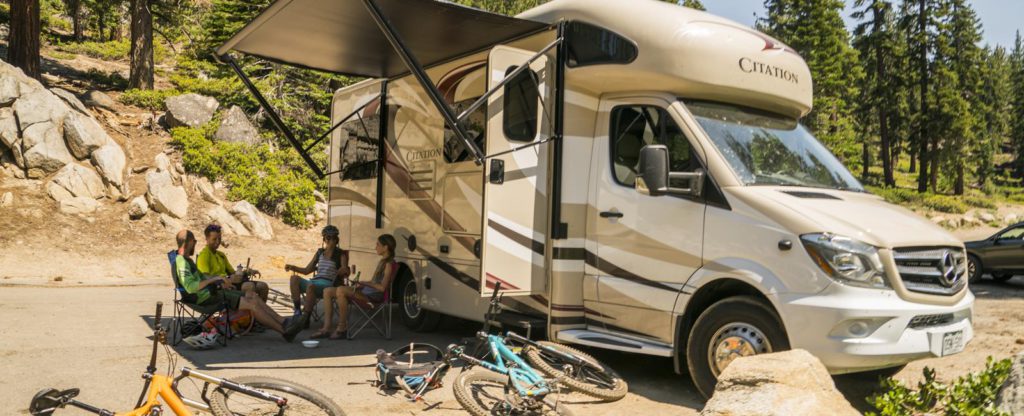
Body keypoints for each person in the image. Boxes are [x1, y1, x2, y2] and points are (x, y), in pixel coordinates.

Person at [174, 229, 302, 342]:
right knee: (250, 304)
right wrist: (214, 281)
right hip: (205, 298)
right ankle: (284, 332)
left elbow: (204, 277)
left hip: (213, 291)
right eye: (194, 242)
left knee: (252, 295)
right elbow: (190, 287)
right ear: (190, 242)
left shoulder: (188, 260)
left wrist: (220, 279)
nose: (195, 244)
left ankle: (283, 321)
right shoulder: (182, 261)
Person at [313, 234, 396, 340]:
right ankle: (326, 328)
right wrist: (361, 284)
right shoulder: (382, 261)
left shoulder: (389, 264)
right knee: (327, 291)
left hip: (373, 298)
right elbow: (374, 282)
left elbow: (382, 288)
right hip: (367, 292)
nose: (375, 247)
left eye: (378, 244)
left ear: (385, 247)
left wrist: (365, 283)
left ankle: (342, 328)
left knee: (341, 290)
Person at [286, 225, 350, 323]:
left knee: (311, 286)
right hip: (315, 282)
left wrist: (342, 269)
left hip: (329, 284)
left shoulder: (340, 254)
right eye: (327, 237)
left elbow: (345, 270)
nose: (329, 240)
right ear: (324, 239)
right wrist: (293, 267)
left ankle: (305, 318)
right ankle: (298, 311)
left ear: (336, 240)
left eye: (332, 238)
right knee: (294, 278)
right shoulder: (320, 252)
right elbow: (307, 270)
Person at [196, 224, 270, 302]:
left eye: (219, 239)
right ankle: (247, 312)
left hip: (229, 283)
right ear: (207, 239)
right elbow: (204, 277)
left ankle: (258, 312)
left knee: (263, 286)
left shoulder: (221, 255)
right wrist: (223, 279)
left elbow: (232, 273)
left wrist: (246, 272)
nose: (217, 242)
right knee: (249, 286)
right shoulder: (204, 256)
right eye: (214, 239)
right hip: (217, 287)